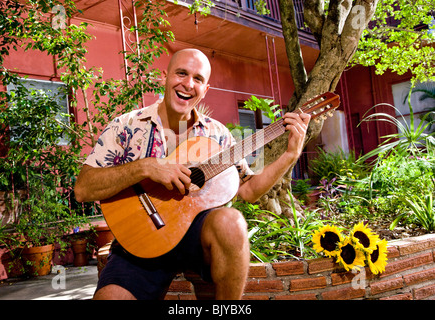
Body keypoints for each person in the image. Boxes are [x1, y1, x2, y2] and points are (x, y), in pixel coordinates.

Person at [74, 48, 310, 300]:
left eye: (198, 79)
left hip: (198, 237)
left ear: (205, 89)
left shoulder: (217, 135)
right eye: (182, 73)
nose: (188, 84)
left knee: (232, 221)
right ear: (164, 77)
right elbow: (83, 189)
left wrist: (290, 156)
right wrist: (145, 167)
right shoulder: (127, 127)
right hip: (139, 239)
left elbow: (249, 190)